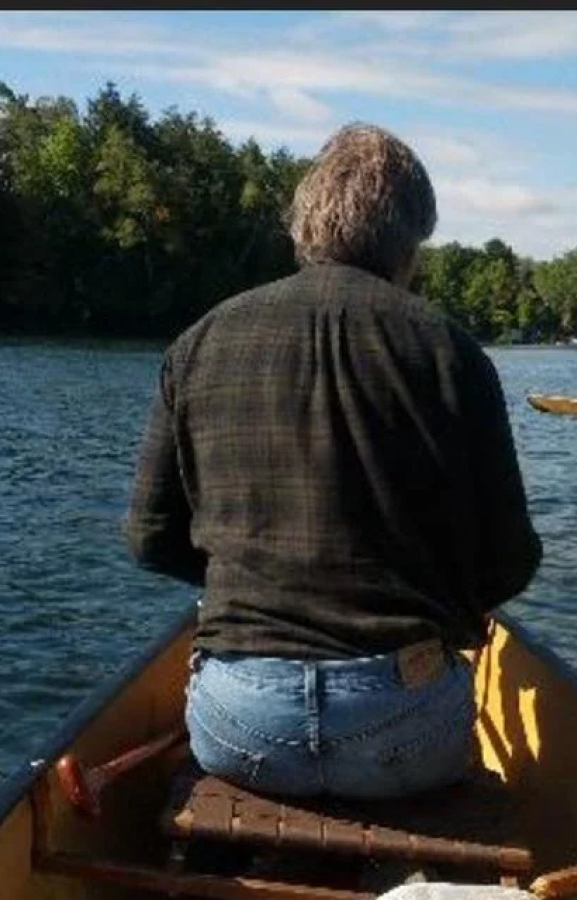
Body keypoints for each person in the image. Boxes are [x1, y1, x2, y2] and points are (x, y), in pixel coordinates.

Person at [124, 123, 542, 802]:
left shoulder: (199, 343)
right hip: (403, 728)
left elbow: (149, 539)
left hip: (241, 724)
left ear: (304, 227)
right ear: (409, 242)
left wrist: (247, 580)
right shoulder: (451, 353)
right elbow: (510, 560)